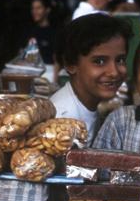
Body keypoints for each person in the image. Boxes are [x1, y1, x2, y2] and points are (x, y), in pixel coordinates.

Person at [51, 14, 132, 145]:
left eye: (120, 60)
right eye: (99, 61)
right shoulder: (62, 123)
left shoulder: (89, 105)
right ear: (70, 64)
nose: (114, 72)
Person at [28, 0, 56, 65]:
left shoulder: (54, 32)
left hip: (49, 72)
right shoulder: (30, 31)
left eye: (38, 8)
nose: (34, 11)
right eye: (33, 8)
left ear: (47, 10)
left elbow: (57, 59)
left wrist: (54, 76)